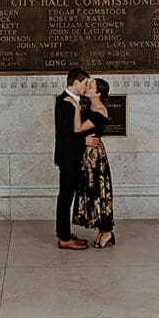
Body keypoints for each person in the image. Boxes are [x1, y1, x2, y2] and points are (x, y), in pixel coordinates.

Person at [65, 78, 115, 248]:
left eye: (91, 86)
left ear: (98, 93)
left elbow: (78, 129)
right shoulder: (92, 106)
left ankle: (107, 231)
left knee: (98, 192)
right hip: (88, 154)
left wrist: (76, 107)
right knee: (91, 191)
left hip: (94, 157)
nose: (87, 87)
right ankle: (104, 230)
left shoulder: (99, 110)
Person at [54, 67, 97, 250]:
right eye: (86, 83)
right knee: (65, 197)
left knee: (68, 196)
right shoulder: (64, 102)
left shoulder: (74, 101)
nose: (87, 87)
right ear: (76, 82)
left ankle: (65, 233)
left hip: (73, 157)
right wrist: (84, 141)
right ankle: (63, 238)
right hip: (68, 158)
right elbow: (64, 136)